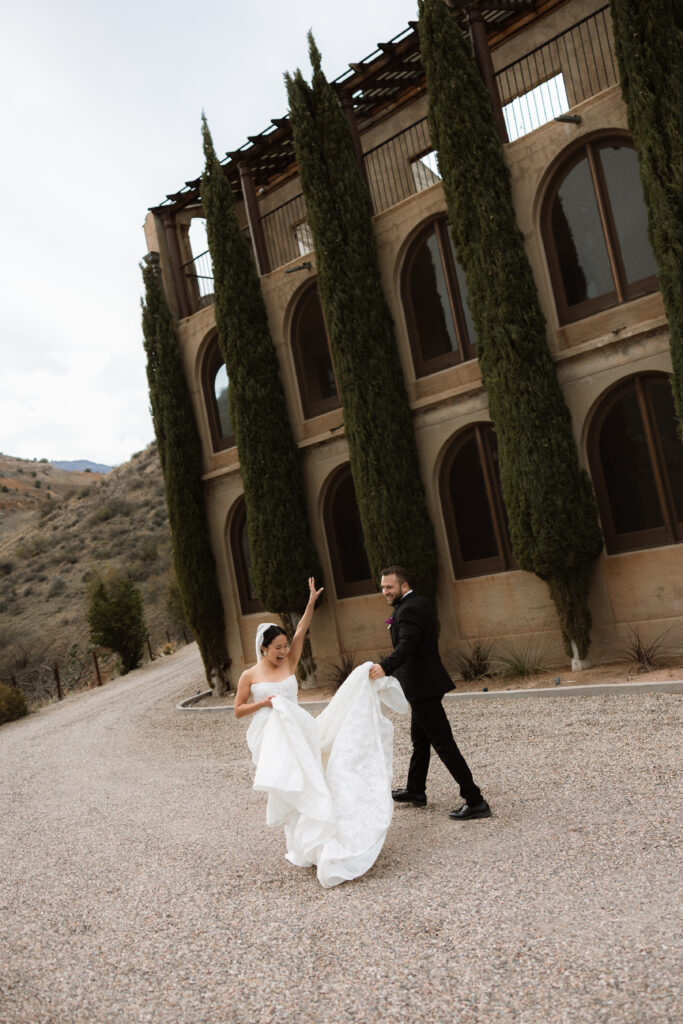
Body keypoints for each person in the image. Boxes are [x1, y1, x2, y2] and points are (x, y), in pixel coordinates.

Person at [234, 577, 408, 887]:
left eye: (285, 646)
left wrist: (312, 601)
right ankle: (302, 843)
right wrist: (264, 703)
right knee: (292, 782)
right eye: (277, 647)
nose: (284, 651)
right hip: (272, 735)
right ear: (263, 648)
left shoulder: (290, 660)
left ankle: (319, 841)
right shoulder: (250, 674)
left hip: (298, 727)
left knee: (313, 776)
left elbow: (302, 629)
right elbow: (237, 709)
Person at [369, 565, 491, 820]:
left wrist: (385, 667)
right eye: (382, 587)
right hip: (421, 686)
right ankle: (416, 790)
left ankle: (475, 799)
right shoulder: (414, 604)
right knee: (420, 740)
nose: (385, 592)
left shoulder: (410, 608)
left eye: (389, 587)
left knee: (443, 743)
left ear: (403, 585)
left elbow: (408, 645)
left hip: (422, 687)